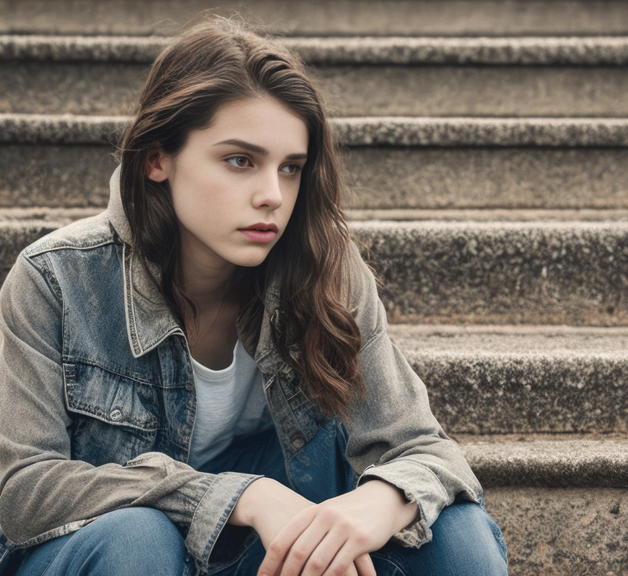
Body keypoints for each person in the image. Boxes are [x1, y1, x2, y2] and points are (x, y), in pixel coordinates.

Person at [0, 17, 507, 576]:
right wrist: (241, 496)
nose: (272, 196)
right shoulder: (56, 280)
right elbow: (22, 488)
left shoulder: (324, 268)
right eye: (240, 160)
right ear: (157, 160)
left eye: (290, 168)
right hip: (123, 556)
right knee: (137, 539)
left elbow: (426, 450)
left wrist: (382, 500)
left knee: (455, 535)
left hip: (269, 559)